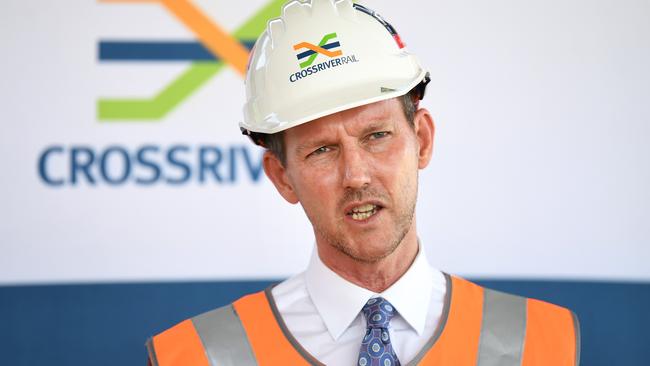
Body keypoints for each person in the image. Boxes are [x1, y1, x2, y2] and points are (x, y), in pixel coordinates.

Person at [146, 1, 580, 365]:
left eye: (377, 136)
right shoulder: (199, 355)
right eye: (322, 150)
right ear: (283, 178)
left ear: (422, 140)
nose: (356, 175)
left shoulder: (537, 344)